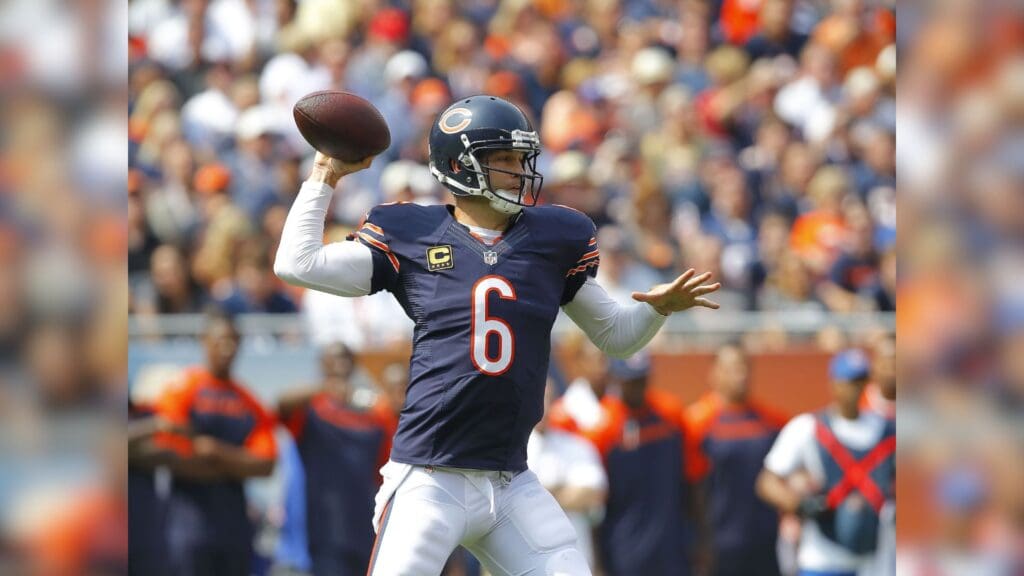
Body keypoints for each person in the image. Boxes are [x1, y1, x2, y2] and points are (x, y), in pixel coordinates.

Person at [274, 95, 721, 576]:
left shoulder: (553, 240)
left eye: (521, 158)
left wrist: (658, 309)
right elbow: (297, 264)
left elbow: (617, 337)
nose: (519, 170)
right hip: (429, 476)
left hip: (511, 481)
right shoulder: (413, 233)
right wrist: (324, 174)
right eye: (503, 158)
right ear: (458, 166)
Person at [153, 310, 278, 576]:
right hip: (187, 525)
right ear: (204, 340)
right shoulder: (182, 388)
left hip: (233, 530)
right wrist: (236, 465)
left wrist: (213, 451)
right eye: (221, 340)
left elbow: (266, 464)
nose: (227, 348)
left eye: (233, 341)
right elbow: (171, 456)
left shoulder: (248, 401)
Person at [756, 349, 895, 576]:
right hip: (821, 558)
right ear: (834, 384)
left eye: (860, 380)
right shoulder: (808, 427)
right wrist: (800, 505)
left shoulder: (884, 429)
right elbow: (767, 481)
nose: (855, 388)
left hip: (872, 560)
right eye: (849, 381)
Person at [277, 343, 397, 576]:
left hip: (365, 524)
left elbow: (385, 468)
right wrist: (326, 387)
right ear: (322, 365)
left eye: (345, 359)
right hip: (325, 527)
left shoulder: (371, 415)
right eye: (333, 359)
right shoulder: (311, 410)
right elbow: (282, 404)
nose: (340, 365)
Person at [584, 354, 703, 576]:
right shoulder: (602, 428)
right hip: (624, 553)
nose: (637, 387)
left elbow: (693, 480)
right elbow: (594, 505)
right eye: (631, 381)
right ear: (616, 379)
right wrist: (598, 564)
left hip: (673, 549)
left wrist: (702, 541)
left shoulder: (671, 414)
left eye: (641, 379)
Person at [686, 343, 789, 576]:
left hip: (764, 542)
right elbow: (691, 489)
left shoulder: (770, 422)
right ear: (714, 373)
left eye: (744, 367)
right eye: (732, 368)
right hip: (718, 546)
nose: (740, 375)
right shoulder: (696, 423)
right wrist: (699, 541)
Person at [528, 379, 608, 569]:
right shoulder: (507, 451)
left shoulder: (579, 447)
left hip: (575, 564)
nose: (542, 406)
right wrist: (564, 493)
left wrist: (531, 495)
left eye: (547, 398)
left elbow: (593, 495)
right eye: (535, 397)